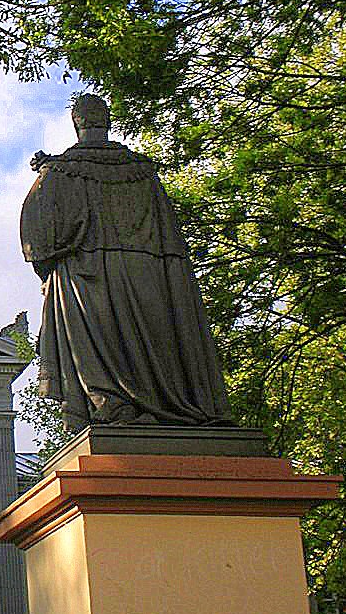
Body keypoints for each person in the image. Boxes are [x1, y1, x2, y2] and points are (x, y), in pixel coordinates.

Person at [20, 94, 232, 431]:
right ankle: (167, 405)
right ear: (108, 121)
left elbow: (38, 240)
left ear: (77, 123)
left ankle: (112, 407)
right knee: (154, 347)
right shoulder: (142, 173)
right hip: (149, 275)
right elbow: (172, 242)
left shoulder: (59, 172)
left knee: (99, 355)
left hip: (86, 277)